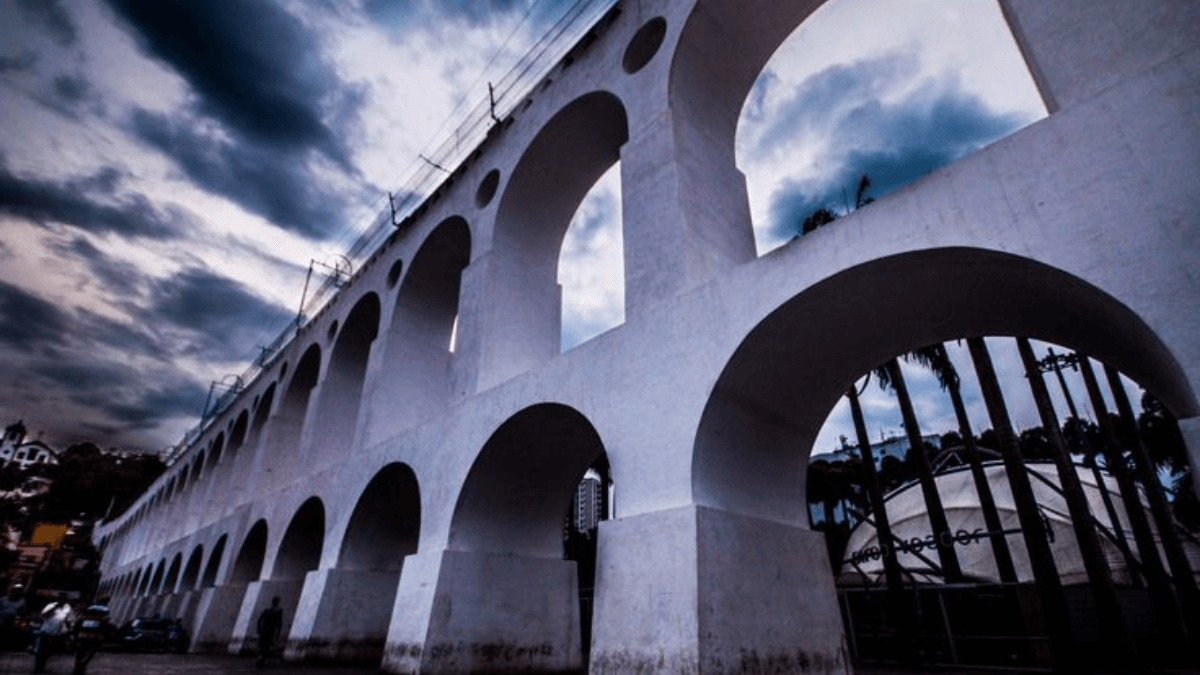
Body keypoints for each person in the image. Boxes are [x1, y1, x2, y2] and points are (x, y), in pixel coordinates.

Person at [32, 595, 75, 673]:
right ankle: (37, 668)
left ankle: (41, 667)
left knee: (47, 653)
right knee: (40, 652)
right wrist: (55, 607)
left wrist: (67, 628)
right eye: (60, 600)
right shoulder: (50, 606)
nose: (62, 602)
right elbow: (43, 615)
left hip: (55, 634)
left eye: (64, 600)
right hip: (45, 632)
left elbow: (69, 621)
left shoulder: (67, 609)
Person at [72, 601, 110, 674]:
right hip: (92, 638)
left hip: (83, 637)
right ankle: (81, 667)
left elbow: (77, 627)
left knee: (80, 654)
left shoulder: (84, 617)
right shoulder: (101, 619)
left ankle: (78, 668)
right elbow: (103, 629)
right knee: (89, 653)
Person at [255, 596, 283, 668]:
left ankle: (261, 659)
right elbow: (280, 623)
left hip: (264, 630)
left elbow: (259, 620)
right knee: (266, 646)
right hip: (270, 631)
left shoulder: (266, 610)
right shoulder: (278, 611)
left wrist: (258, 629)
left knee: (262, 646)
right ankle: (262, 660)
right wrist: (278, 632)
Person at [0, 584, 27, 651]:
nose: (17, 592)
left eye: (19, 590)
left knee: (22, 626)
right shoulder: (3, 599)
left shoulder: (22, 601)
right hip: (2, 618)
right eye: (15, 590)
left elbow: (23, 613)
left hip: (14, 619)